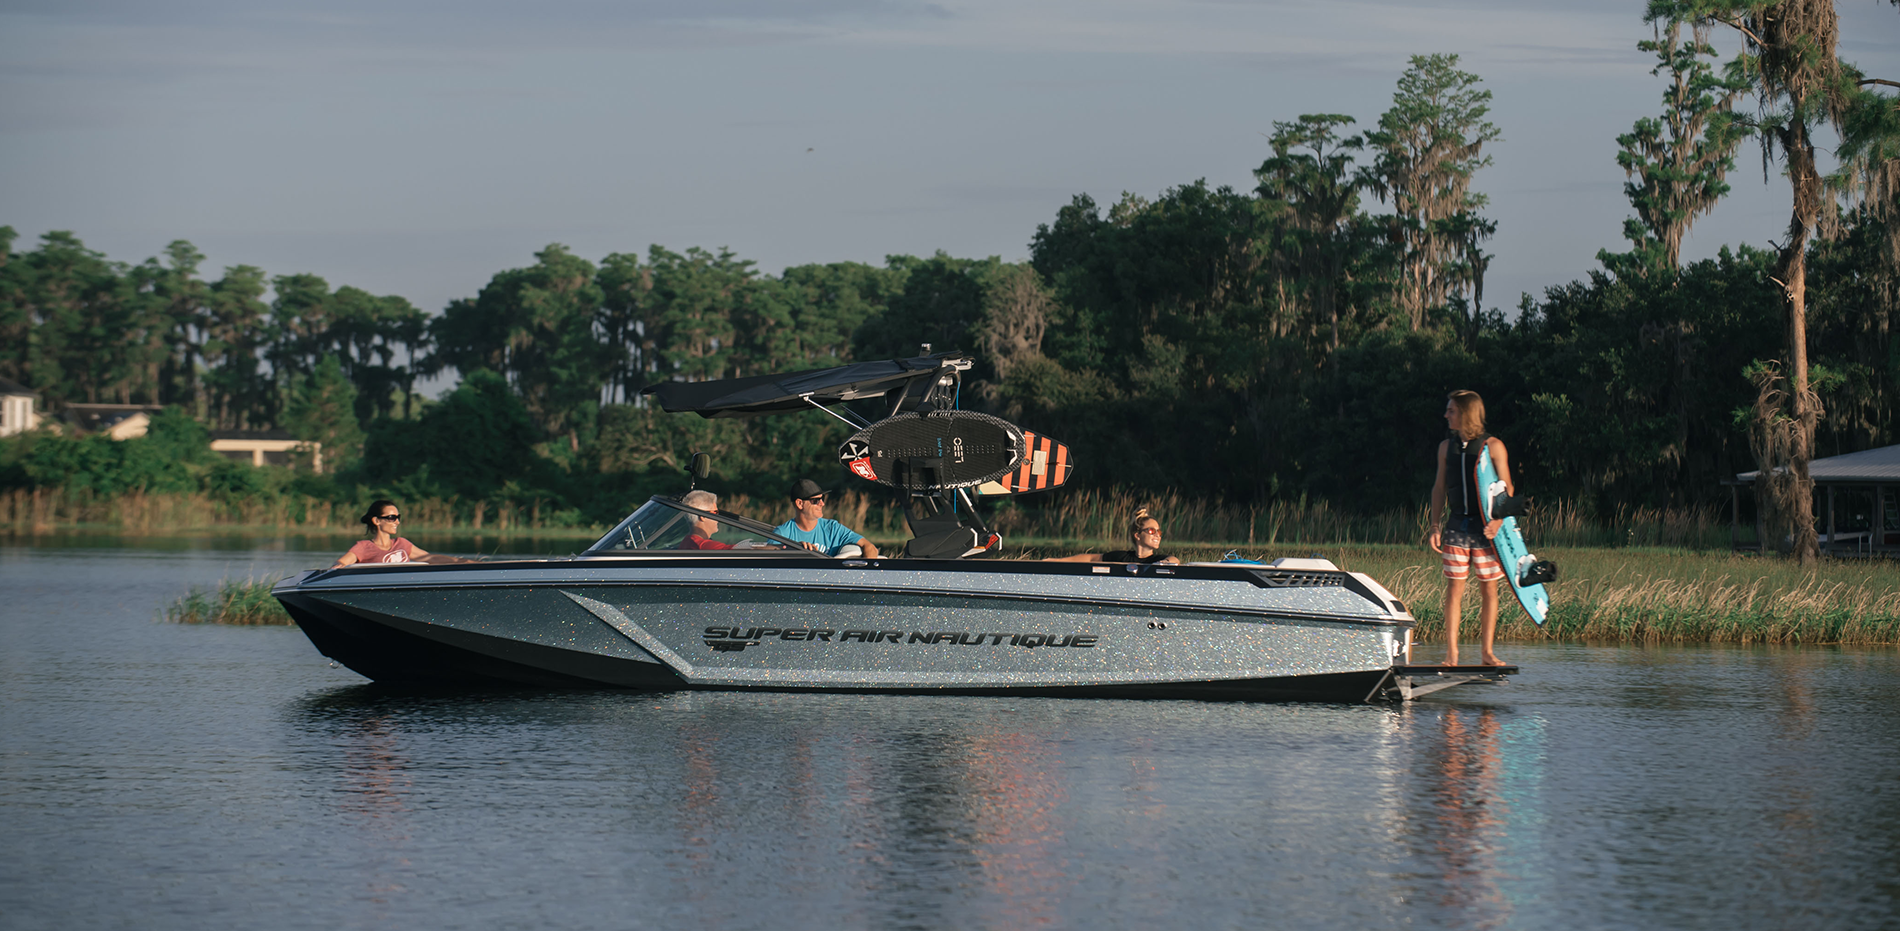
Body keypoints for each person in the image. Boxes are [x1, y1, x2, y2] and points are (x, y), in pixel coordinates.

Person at [1428, 390, 1511, 667]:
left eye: (1451, 410)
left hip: (1486, 530)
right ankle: (1452, 655)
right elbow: (1439, 488)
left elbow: (1507, 487)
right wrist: (1434, 525)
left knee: (1489, 590)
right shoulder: (1445, 448)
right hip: (1456, 527)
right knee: (1454, 590)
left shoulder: (1493, 446)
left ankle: (1487, 653)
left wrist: (1498, 520)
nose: (1446, 415)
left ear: (1465, 413)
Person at [332, 500, 456, 568]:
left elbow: (431, 558)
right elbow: (341, 563)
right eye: (392, 517)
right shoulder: (363, 547)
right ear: (376, 521)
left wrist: (466, 563)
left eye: (398, 517)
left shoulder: (402, 543)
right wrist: (339, 566)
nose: (397, 521)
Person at [773, 479, 879, 557]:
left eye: (822, 498)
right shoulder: (782, 534)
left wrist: (863, 576)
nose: (822, 504)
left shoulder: (833, 529)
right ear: (800, 504)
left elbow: (870, 547)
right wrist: (792, 548)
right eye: (816, 500)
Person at [1046, 508, 1180, 565]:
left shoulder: (1157, 560)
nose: (1157, 535)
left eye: (1159, 532)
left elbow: (1174, 560)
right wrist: (1057, 561)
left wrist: (1165, 564)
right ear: (1138, 535)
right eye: (1151, 531)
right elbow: (1091, 558)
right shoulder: (1121, 557)